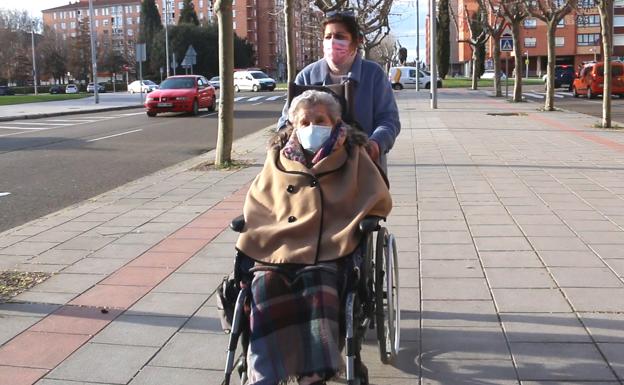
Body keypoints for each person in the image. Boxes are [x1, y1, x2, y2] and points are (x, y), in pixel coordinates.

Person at [236, 90, 392, 385]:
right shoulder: (278, 158)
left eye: (320, 120)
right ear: (293, 125)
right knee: (264, 285)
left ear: (335, 122)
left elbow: (378, 198)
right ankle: (267, 374)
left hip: (330, 244)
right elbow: (259, 198)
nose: (311, 127)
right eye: (304, 122)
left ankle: (314, 375)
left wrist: (349, 218)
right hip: (279, 243)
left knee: (319, 285)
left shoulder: (352, 154)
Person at [277, 11, 400, 169]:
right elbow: (285, 122)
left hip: (363, 170)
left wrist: (376, 144)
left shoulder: (373, 74)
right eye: (328, 37)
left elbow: (388, 120)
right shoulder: (306, 76)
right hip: (314, 173)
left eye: (340, 36)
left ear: (356, 41)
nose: (333, 42)